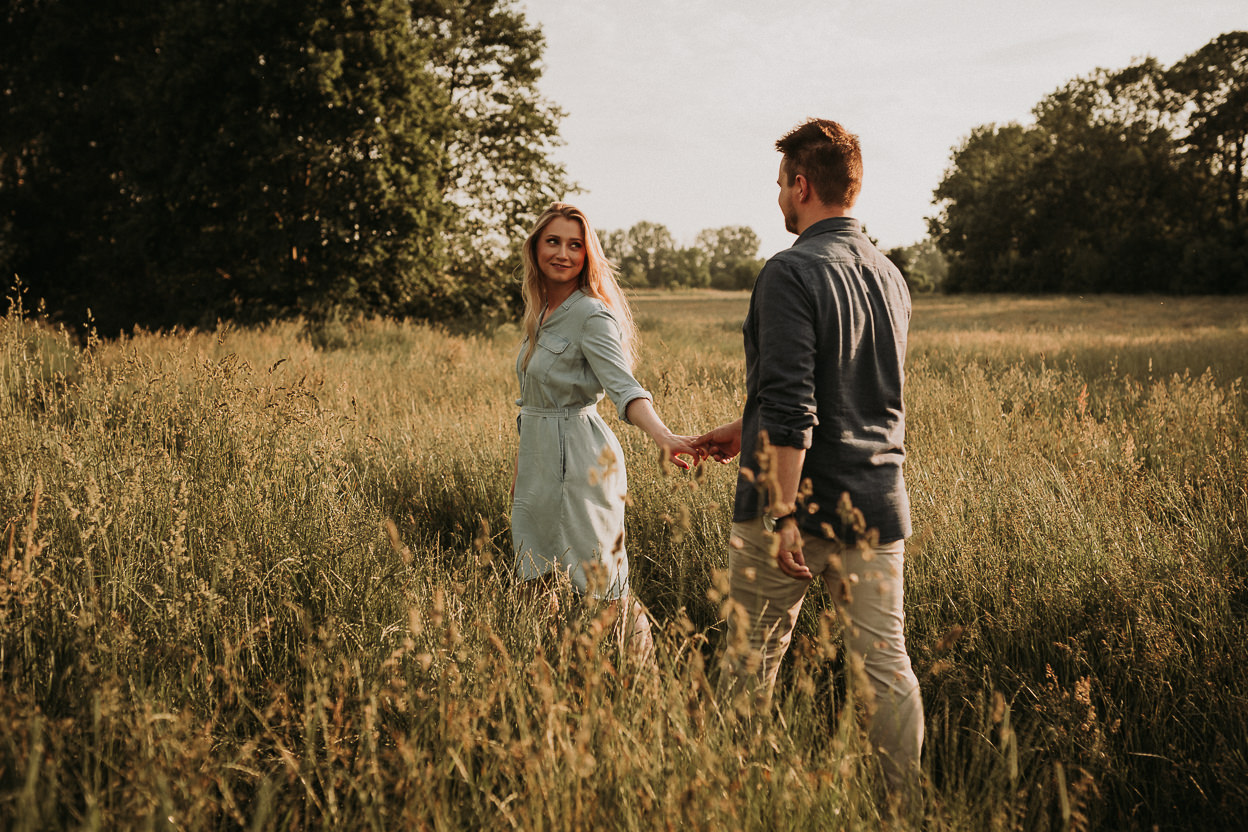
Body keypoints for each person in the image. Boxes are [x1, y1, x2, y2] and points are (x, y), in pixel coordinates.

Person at [695, 119, 923, 807]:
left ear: (801, 184)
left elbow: (797, 405)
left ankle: (735, 803)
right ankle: (903, 810)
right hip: (879, 504)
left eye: (780, 185)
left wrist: (783, 509)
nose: (779, 200)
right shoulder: (890, 275)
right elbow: (850, 390)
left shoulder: (790, 270)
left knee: (751, 662)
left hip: (796, 506)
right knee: (885, 668)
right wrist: (745, 427)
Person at [511, 201, 698, 658]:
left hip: (579, 460)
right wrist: (520, 471)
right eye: (552, 241)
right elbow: (533, 405)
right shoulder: (541, 313)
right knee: (535, 579)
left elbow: (625, 388)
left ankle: (642, 687)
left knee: (604, 585)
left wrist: (665, 436)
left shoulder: (592, 314)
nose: (563, 253)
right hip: (537, 462)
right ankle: (554, 678)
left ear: (587, 254)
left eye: (575, 245)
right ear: (536, 247)